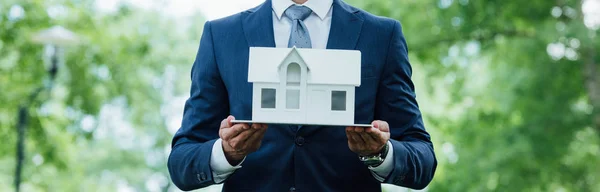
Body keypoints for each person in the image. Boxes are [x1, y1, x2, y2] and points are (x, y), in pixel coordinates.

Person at [167, 0, 437, 191]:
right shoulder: (221, 35)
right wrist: (226, 152)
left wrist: (380, 153)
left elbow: (422, 158)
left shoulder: (381, 35)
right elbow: (182, 162)